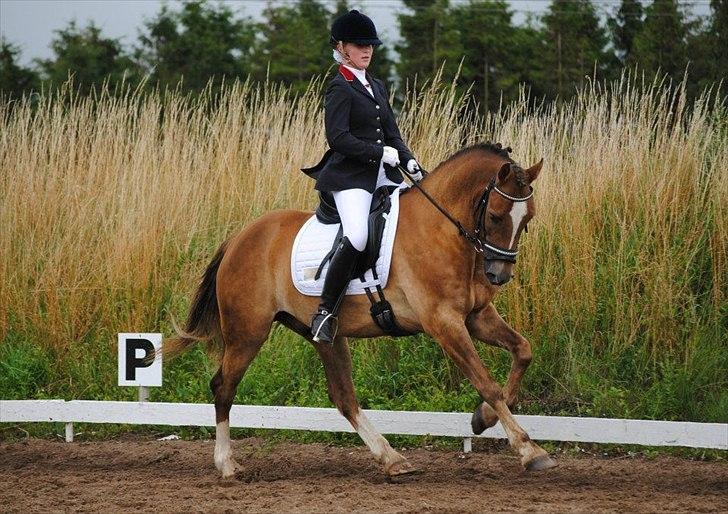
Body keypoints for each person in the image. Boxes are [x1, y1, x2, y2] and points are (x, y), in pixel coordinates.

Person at [303, 9, 423, 344]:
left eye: (370, 44)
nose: (367, 50)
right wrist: (377, 152)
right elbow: (338, 138)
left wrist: (408, 160)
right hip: (350, 179)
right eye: (359, 45)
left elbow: (393, 134)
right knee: (356, 235)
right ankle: (325, 310)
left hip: (384, 175)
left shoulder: (377, 86)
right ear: (341, 47)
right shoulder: (339, 87)